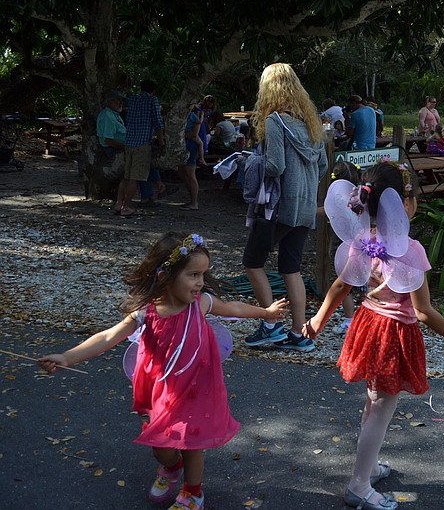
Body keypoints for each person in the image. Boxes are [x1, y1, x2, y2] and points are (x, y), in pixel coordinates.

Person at [38, 232, 289, 510]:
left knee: (194, 443)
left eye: (203, 275)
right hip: (163, 391)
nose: (200, 282)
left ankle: (193, 494)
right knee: (163, 447)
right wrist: (66, 357)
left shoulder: (201, 303)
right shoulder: (146, 313)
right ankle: (171, 468)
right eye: (193, 275)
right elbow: (108, 337)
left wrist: (265, 313)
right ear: (166, 275)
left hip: (197, 388)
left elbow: (233, 307)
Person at [304, 160, 444, 510]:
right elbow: (423, 311)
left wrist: (317, 320)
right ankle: (359, 484)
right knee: (381, 409)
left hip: (367, 326)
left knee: (373, 402)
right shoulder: (412, 250)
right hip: (392, 336)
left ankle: (369, 467)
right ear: (404, 204)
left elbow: (342, 285)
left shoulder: (362, 240)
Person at [242, 63, 328, 353]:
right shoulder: (310, 124)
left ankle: (270, 324)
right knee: (291, 268)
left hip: (278, 208)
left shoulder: (276, 122)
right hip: (304, 209)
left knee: (252, 262)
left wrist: (250, 162)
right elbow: (324, 166)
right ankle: (297, 333)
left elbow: (275, 165)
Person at [315, 160, 362, 336]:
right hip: (360, 243)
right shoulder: (360, 195)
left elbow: (326, 210)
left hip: (343, 244)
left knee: (344, 281)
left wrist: (309, 211)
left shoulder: (340, 198)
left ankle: (349, 319)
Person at [121, 80, 165, 217]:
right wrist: (162, 142)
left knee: (127, 177)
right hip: (142, 143)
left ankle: (119, 204)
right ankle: (126, 207)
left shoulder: (133, 99)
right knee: (136, 177)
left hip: (129, 142)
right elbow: (158, 123)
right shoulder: (153, 100)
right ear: (153, 90)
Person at [97, 90, 128, 215]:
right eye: (117, 100)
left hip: (121, 147)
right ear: (109, 102)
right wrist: (124, 148)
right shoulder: (107, 116)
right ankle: (121, 203)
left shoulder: (115, 114)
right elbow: (108, 140)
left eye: (121, 101)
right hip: (114, 149)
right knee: (129, 174)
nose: (120, 102)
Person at [179, 103, 206, 211]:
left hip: (191, 145)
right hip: (184, 144)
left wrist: (183, 134)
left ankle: (194, 203)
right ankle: (191, 200)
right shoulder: (181, 115)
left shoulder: (192, 115)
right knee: (182, 172)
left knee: (190, 174)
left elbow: (195, 132)